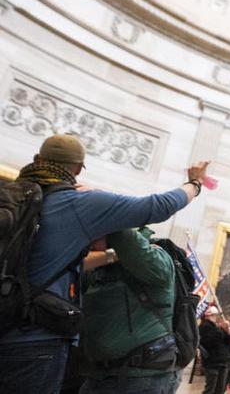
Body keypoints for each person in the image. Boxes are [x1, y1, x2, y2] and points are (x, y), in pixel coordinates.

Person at [0, 134, 209, 394]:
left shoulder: (14, 195)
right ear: (77, 169)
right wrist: (194, 184)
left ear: (38, 159)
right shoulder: (78, 204)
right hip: (38, 343)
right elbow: (159, 206)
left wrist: (112, 248)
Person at [77, 227, 182, 393]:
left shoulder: (157, 258)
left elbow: (126, 240)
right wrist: (110, 256)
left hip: (142, 377)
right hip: (100, 375)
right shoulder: (101, 268)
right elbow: (74, 265)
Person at [199, 306, 230, 394]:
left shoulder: (217, 328)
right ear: (209, 315)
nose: (217, 317)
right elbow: (209, 342)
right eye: (215, 315)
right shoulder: (204, 326)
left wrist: (227, 332)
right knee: (210, 389)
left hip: (222, 361)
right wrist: (220, 329)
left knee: (220, 389)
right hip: (212, 362)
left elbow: (228, 342)